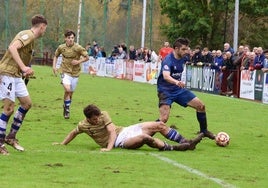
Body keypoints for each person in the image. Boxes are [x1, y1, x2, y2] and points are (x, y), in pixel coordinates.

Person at [53, 104, 204, 152]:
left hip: (125, 131)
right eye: (95, 119)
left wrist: (108, 149)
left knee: (159, 125)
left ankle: (187, 142)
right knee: (145, 138)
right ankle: (175, 148)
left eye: (98, 117)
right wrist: (62, 143)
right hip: (121, 142)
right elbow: (73, 133)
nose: (98, 119)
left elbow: (112, 131)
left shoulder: (104, 114)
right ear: (88, 119)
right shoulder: (83, 125)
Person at [0, 14, 48, 155]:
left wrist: (24, 70)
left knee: (26, 104)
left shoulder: (30, 38)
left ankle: (11, 137)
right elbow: (12, 47)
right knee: (8, 109)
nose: (44, 31)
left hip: (15, 75)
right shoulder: (29, 35)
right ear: (41, 27)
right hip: (7, 73)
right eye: (45, 29)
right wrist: (23, 67)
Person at [156, 38, 215, 140]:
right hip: (165, 90)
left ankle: (204, 131)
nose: (186, 51)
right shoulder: (168, 60)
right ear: (176, 49)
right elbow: (166, 76)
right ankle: (145, 132)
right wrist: (176, 81)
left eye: (186, 49)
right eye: (183, 49)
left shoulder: (184, 57)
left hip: (178, 90)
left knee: (201, 106)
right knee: (163, 119)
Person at [52, 30, 89, 119]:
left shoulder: (78, 48)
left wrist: (78, 61)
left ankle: (66, 106)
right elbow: (56, 56)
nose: (71, 39)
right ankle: (67, 109)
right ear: (65, 38)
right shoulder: (61, 47)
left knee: (70, 93)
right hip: (64, 71)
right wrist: (54, 66)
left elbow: (87, 57)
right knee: (67, 90)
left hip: (75, 73)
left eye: (72, 38)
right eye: (69, 38)